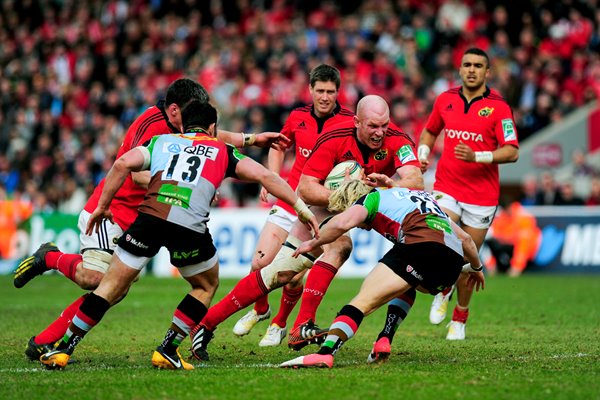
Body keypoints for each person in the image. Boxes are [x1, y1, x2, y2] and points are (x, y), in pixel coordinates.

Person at [14, 78, 290, 362]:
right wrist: (187, 184)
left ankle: (46, 340)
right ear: (173, 111)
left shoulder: (180, 129)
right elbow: (134, 173)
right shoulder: (152, 125)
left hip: (147, 215)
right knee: (96, 279)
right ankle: (49, 259)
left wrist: (253, 139)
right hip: (112, 211)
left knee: (114, 290)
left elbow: (209, 135)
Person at [189, 95, 423, 361]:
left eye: (384, 125)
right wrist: (348, 198)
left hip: (377, 203)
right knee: (288, 269)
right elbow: (307, 188)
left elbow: (415, 179)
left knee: (410, 251)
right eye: (372, 126)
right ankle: (207, 324)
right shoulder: (335, 139)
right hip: (329, 207)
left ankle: (307, 325)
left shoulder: (398, 139)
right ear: (357, 121)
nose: (380, 133)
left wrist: (387, 187)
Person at [279, 180, 485, 368]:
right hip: (450, 267)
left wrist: (314, 242)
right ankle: (384, 338)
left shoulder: (370, 198)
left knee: (360, 304)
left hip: (420, 246)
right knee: (407, 281)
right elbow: (466, 239)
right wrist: (477, 269)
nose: (363, 228)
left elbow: (343, 223)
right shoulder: (424, 199)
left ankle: (325, 353)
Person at [231, 64, 355, 347]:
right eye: (320, 91)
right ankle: (262, 311)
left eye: (331, 92)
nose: (325, 97)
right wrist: (270, 179)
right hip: (291, 199)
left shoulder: (351, 122)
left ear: (338, 92)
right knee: (259, 262)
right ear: (310, 90)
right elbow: (278, 145)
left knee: (292, 276)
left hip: (323, 210)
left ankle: (280, 325)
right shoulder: (298, 117)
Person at [413, 47, 518, 343]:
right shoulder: (445, 100)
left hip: (482, 196)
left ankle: (460, 314)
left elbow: (511, 152)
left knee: (467, 262)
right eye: (467, 65)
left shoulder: (499, 107)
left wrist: (478, 156)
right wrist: (423, 154)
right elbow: (430, 131)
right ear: (460, 69)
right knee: (445, 243)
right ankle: (443, 289)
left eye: (478, 66)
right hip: (447, 186)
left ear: (487, 72)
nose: (471, 70)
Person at [485, 201, 541, 277]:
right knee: (487, 240)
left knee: (523, 240)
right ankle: (492, 268)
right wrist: (504, 238)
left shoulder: (522, 215)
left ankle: (516, 268)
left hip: (528, 247)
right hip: (509, 243)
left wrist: (506, 238)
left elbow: (526, 236)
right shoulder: (503, 216)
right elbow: (496, 232)